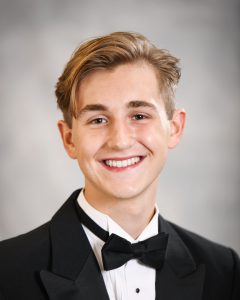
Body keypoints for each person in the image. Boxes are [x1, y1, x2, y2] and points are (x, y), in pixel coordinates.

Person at [0, 31, 239, 300]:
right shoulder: (6, 271)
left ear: (174, 128)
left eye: (139, 115)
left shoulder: (225, 271)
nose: (120, 141)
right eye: (98, 120)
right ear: (69, 139)